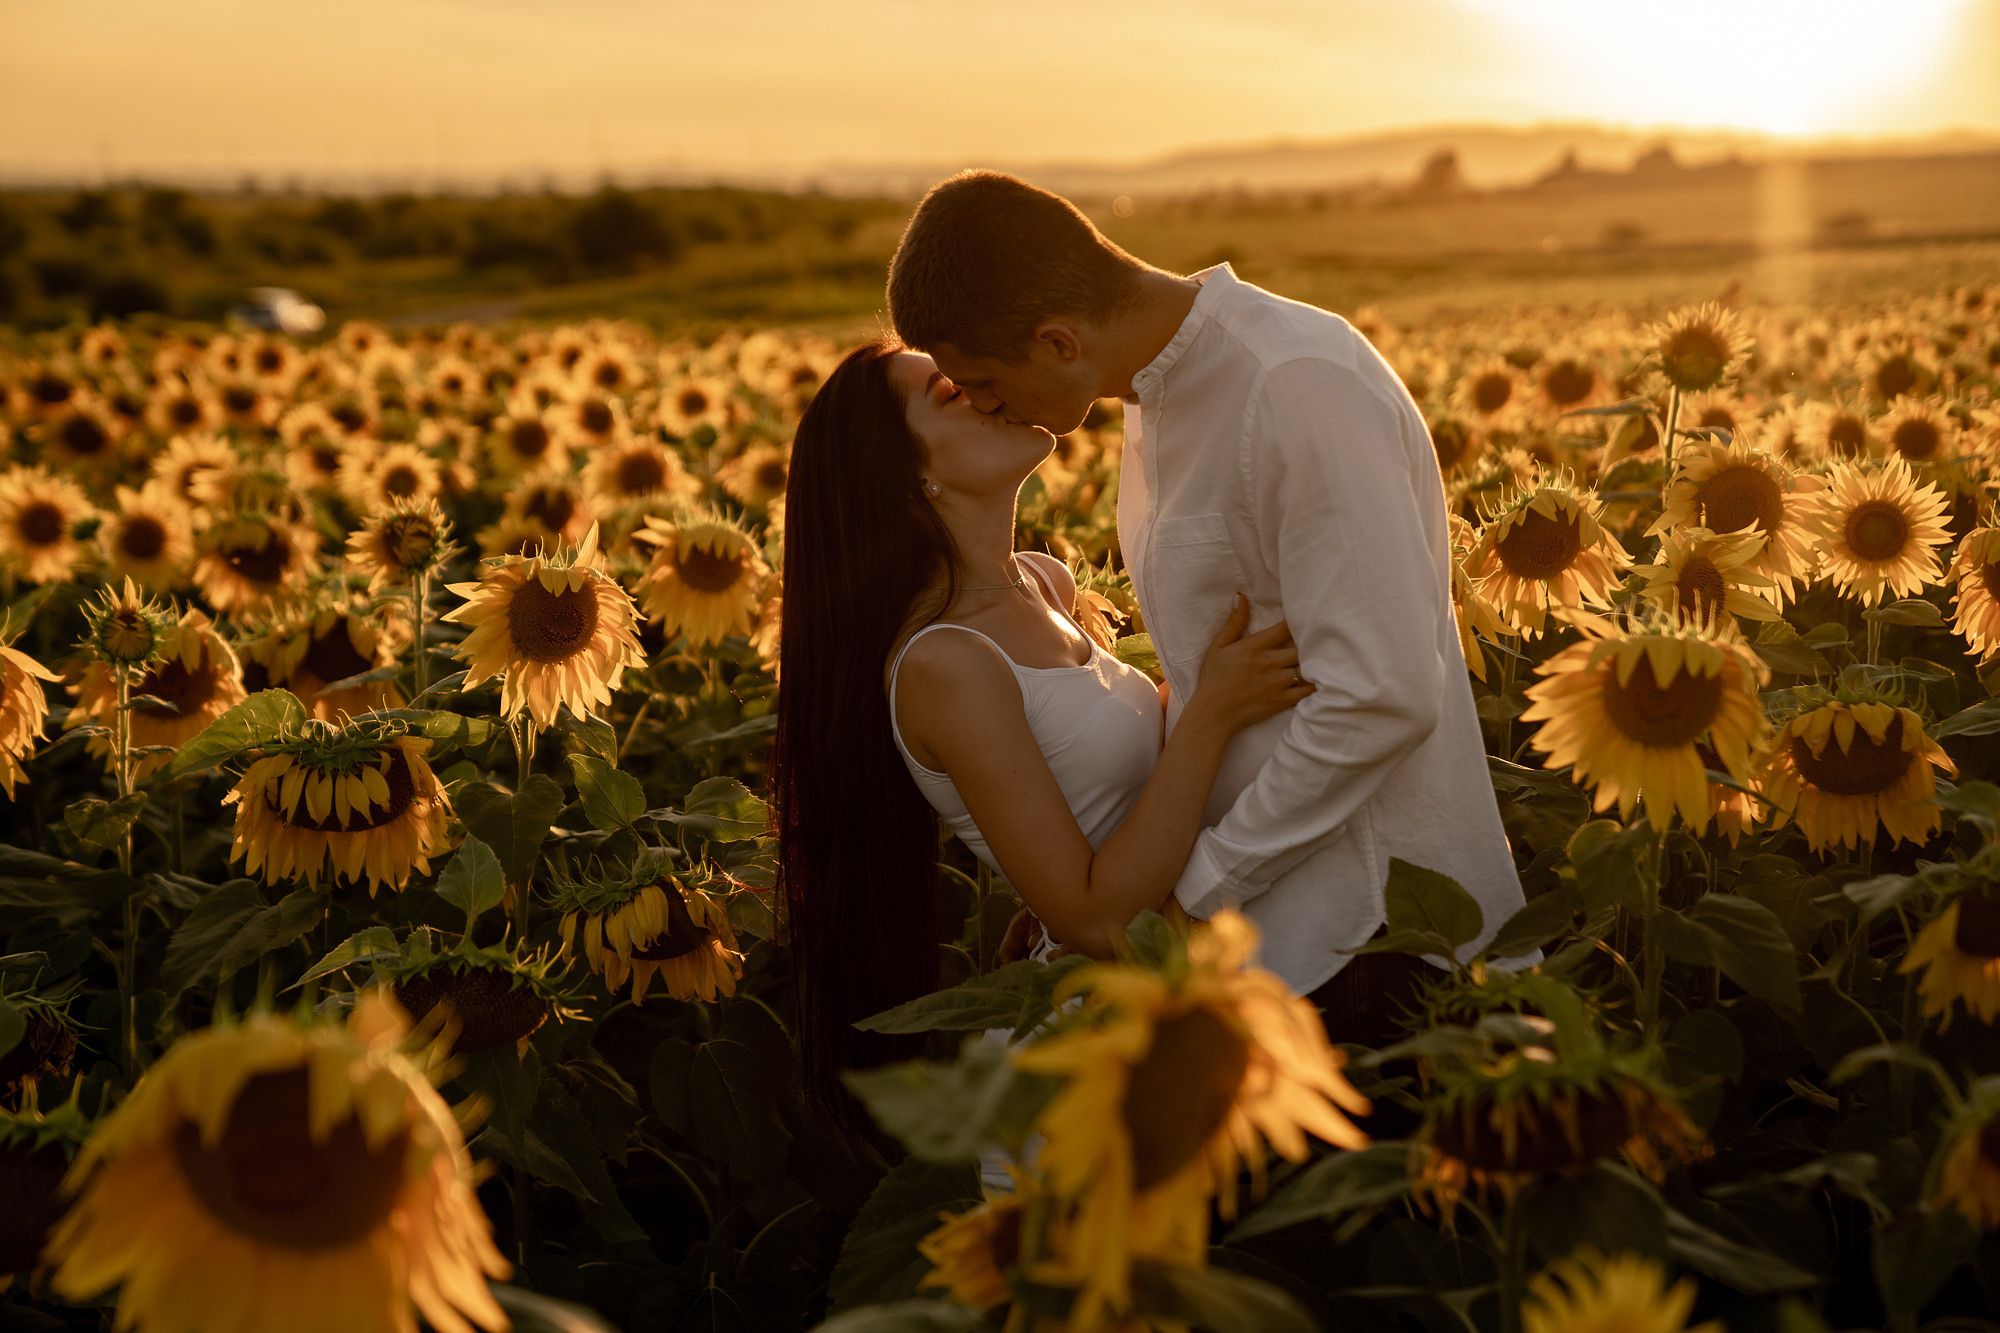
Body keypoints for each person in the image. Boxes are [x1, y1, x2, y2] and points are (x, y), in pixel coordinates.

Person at [883, 170, 1529, 1048]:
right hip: (1265, 945)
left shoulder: (1291, 384)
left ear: (1058, 341)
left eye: (987, 380)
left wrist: (1192, 893)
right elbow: (1214, 672)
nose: (987, 405)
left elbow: (1382, 695)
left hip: (1375, 936)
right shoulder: (1160, 399)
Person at [770, 340, 1309, 1110]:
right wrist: (1213, 712)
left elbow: (1103, 777)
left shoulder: (1044, 581)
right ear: (907, 476)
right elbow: (1092, 918)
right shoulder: (945, 663)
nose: (991, 391)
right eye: (953, 394)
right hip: (1087, 1061)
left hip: (1178, 999)